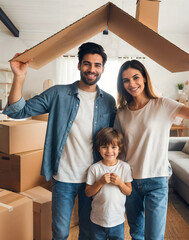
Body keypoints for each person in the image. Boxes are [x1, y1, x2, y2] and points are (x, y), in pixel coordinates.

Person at [3, 42, 116, 240]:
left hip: (94, 178)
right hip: (63, 177)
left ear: (103, 69)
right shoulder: (58, 93)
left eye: (97, 65)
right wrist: (19, 77)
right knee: (60, 232)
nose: (92, 69)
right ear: (79, 65)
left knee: (89, 233)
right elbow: (17, 111)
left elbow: (115, 138)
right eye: (87, 64)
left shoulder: (108, 101)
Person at [114, 60, 189, 240]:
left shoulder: (163, 105)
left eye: (136, 77)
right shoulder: (122, 113)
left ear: (144, 78)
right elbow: (119, 149)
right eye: (126, 80)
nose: (132, 84)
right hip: (129, 180)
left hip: (156, 179)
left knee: (154, 236)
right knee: (136, 233)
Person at [85, 127, 132, 240]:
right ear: (99, 149)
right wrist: (100, 182)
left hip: (117, 221)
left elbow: (129, 192)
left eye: (113, 147)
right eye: (104, 147)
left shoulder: (124, 167)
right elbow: (88, 193)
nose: (109, 151)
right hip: (97, 220)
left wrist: (120, 183)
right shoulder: (94, 169)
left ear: (119, 149)